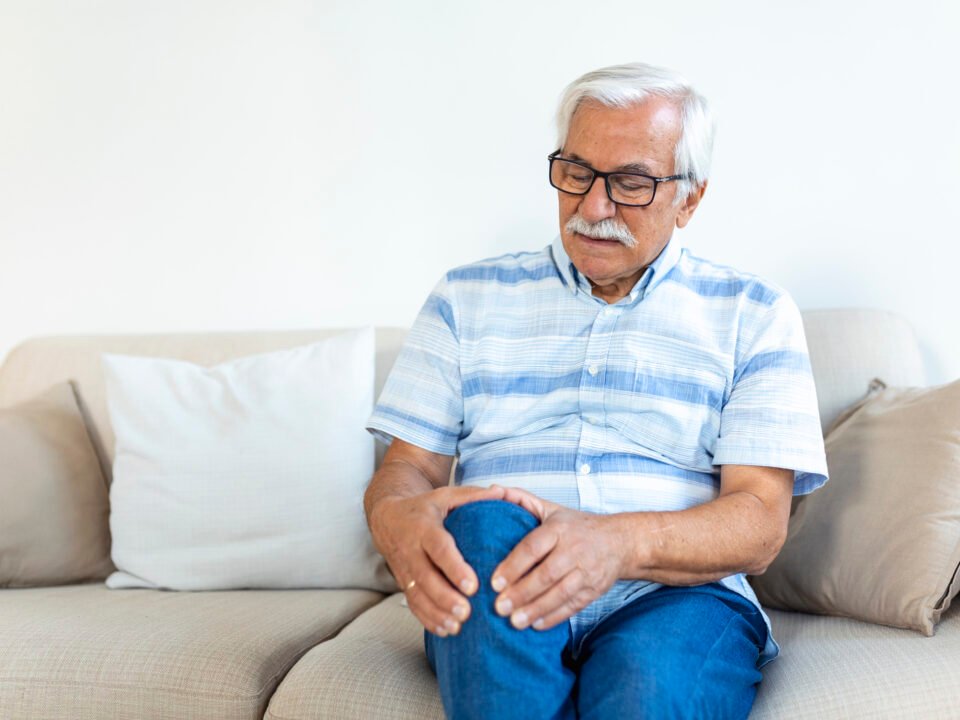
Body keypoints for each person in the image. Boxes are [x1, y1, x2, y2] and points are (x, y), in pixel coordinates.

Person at [363, 61, 829, 719]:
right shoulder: (464, 299)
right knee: (485, 520)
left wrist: (614, 544)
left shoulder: (754, 313)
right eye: (576, 172)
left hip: (676, 597)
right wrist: (392, 518)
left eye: (631, 182)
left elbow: (757, 522)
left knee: (647, 691)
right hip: (501, 573)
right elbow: (407, 470)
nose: (592, 207)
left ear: (690, 198)